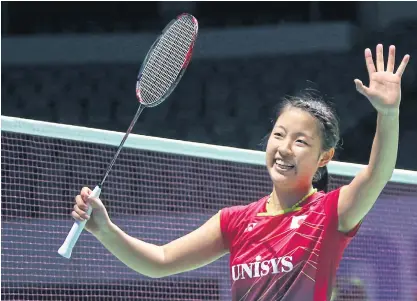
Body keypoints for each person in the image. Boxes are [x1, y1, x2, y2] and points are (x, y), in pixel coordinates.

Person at [71, 44, 409, 300]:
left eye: (301, 141)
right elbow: (160, 260)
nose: (284, 148)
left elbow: (377, 174)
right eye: (279, 135)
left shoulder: (329, 213)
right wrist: (105, 229)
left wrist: (388, 114)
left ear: (325, 157)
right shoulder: (234, 222)